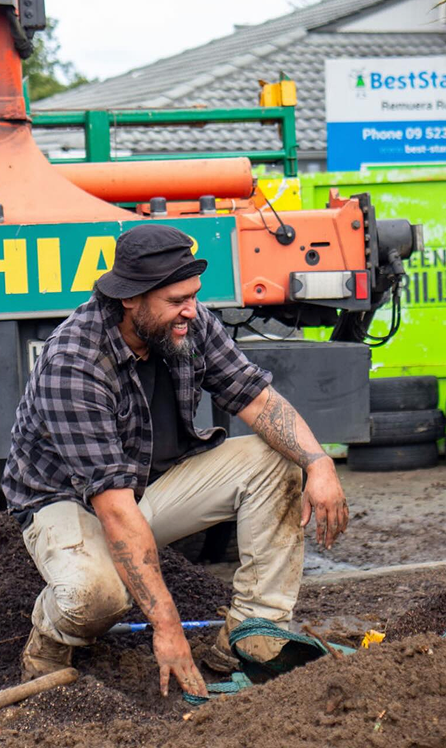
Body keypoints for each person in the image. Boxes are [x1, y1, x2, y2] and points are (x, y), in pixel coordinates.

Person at [1, 224, 348, 698]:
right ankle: (49, 641)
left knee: (277, 459)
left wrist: (319, 463)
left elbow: (257, 399)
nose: (191, 309)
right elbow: (114, 510)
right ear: (130, 298)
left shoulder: (187, 322)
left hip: (147, 484)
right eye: (176, 300)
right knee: (96, 597)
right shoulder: (74, 362)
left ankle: (255, 631)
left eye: (194, 296)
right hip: (66, 501)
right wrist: (166, 626)